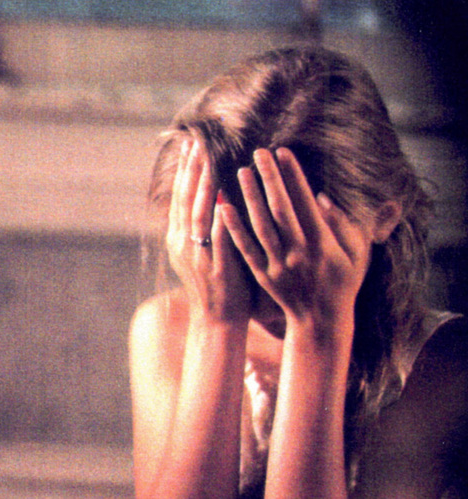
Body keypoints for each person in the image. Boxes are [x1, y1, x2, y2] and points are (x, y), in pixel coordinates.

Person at [128, 46, 468, 498]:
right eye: (237, 253)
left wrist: (317, 330)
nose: (270, 280)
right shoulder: (165, 329)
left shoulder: (443, 364)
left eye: (294, 246)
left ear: (384, 216)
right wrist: (217, 325)